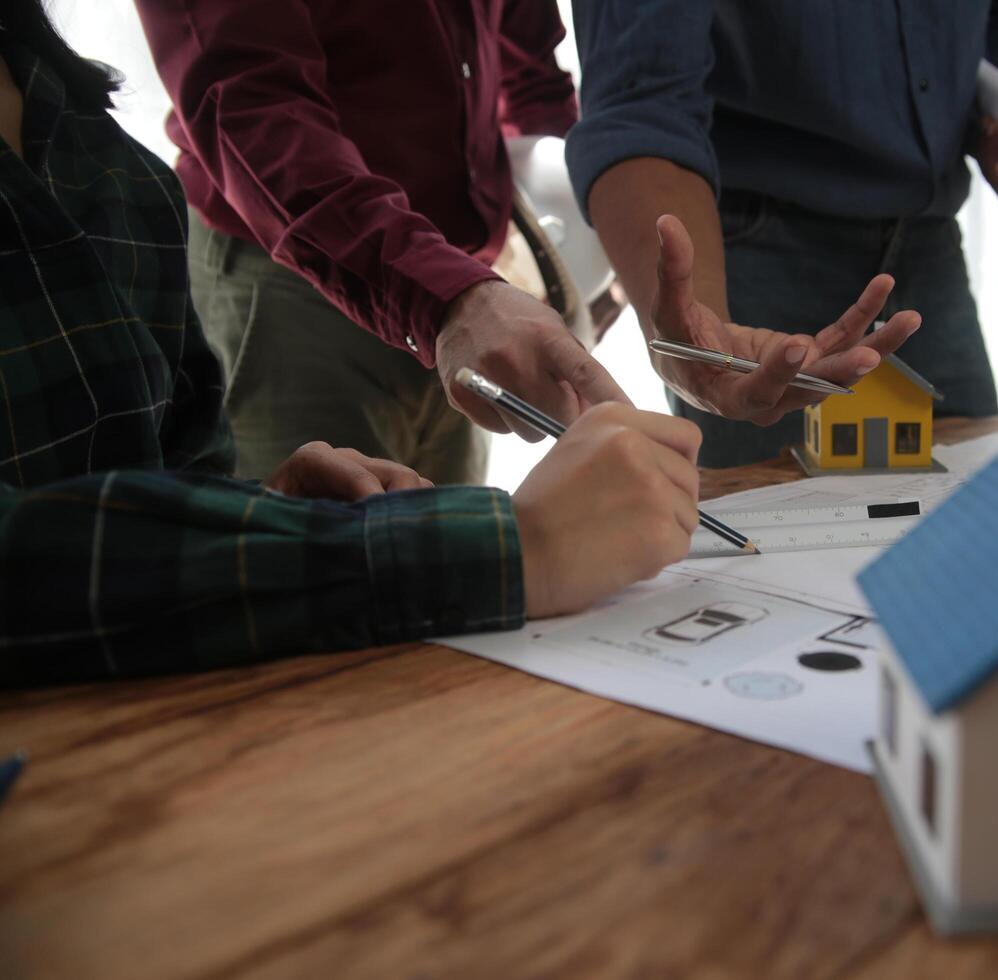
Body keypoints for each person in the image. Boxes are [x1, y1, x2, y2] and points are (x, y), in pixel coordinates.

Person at [0, 4, 700, 687]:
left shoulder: (106, 167)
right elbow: (251, 103)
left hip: (458, 285)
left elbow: (160, 515)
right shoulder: (117, 175)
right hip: (304, 278)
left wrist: (256, 506)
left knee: (430, 671)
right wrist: (518, 549)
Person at [127, 0, 636, 484]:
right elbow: (255, 111)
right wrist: (445, 296)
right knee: (323, 562)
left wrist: (588, 240)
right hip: (294, 286)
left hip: (461, 281)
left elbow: (532, 67)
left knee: (448, 554)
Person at [567, 0, 998, 467]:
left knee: (971, 521)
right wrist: (692, 332)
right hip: (753, 250)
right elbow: (641, 99)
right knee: (769, 555)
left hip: (929, 242)